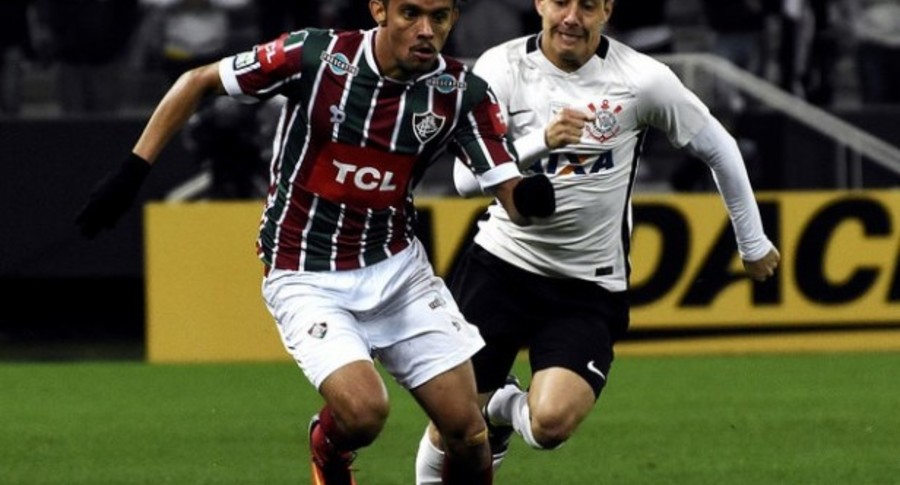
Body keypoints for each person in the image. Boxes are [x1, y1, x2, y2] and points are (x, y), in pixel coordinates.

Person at [74, 0, 558, 483]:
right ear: (379, 10)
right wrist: (132, 172)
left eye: (439, 17)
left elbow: (510, 194)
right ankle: (327, 448)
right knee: (364, 413)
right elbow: (197, 80)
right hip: (304, 271)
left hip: (397, 270)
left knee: (468, 433)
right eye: (411, 13)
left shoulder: (461, 93)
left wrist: (531, 197)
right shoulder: (316, 57)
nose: (426, 30)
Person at [415, 0, 781, 483]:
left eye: (587, 5)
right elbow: (465, 180)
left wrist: (752, 242)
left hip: (588, 284)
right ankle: (485, 410)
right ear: (539, 4)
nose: (572, 17)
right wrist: (542, 141)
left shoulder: (642, 79)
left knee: (549, 425)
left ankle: (501, 408)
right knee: (453, 425)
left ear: (606, 10)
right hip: (500, 267)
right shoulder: (501, 68)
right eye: (560, 2)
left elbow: (719, 146)